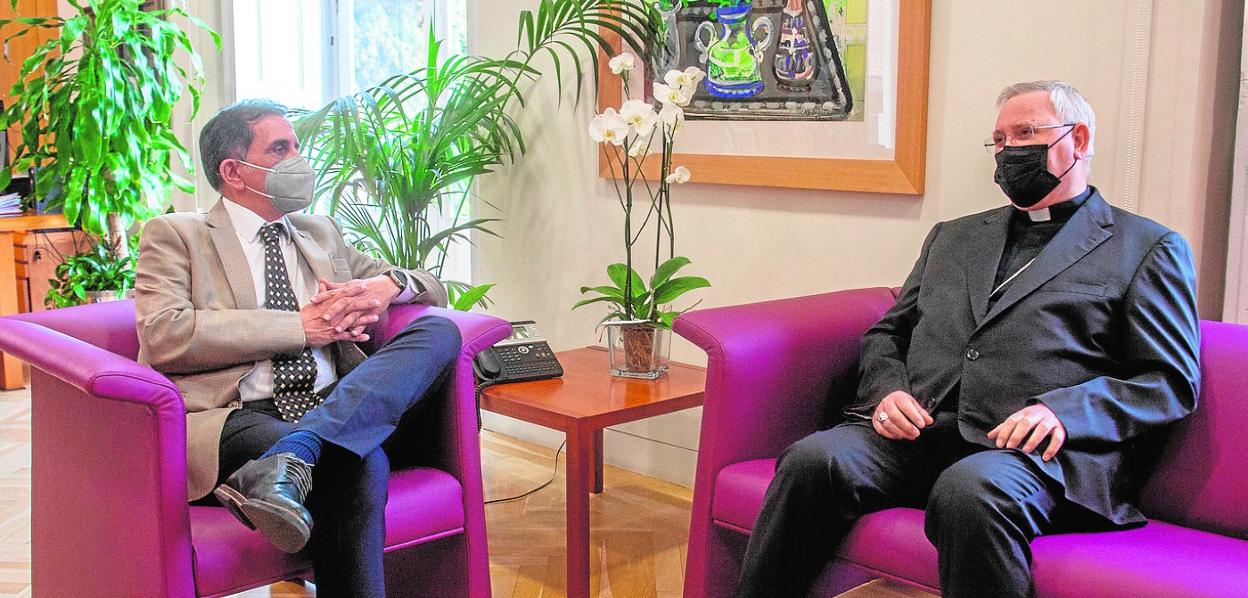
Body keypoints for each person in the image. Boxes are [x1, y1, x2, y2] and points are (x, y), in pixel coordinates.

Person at [735, 81, 1201, 597]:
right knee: (811, 460)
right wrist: (888, 391)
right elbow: (889, 332)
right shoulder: (952, 236)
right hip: (924, 433)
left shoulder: (1147, 247)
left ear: (1080, 138)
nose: (1009, 151)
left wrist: (1063, 412)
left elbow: (1168, 380)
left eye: (1025, 133)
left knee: (970, 492)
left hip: (1037, 458)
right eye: (999, 140)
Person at [135, 99, 459, 597]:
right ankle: (305, 448)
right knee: (354, 460)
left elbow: (433, 287)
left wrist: (389, 285)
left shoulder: (318, 233)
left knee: (441, 331)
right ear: (234, 171)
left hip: (337, 400)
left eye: (296, 145)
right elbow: (164, 334)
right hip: (238, 412)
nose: (299, 159)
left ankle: (297, 450)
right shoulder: (177, 234)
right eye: (281, 148)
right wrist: (300, 328)